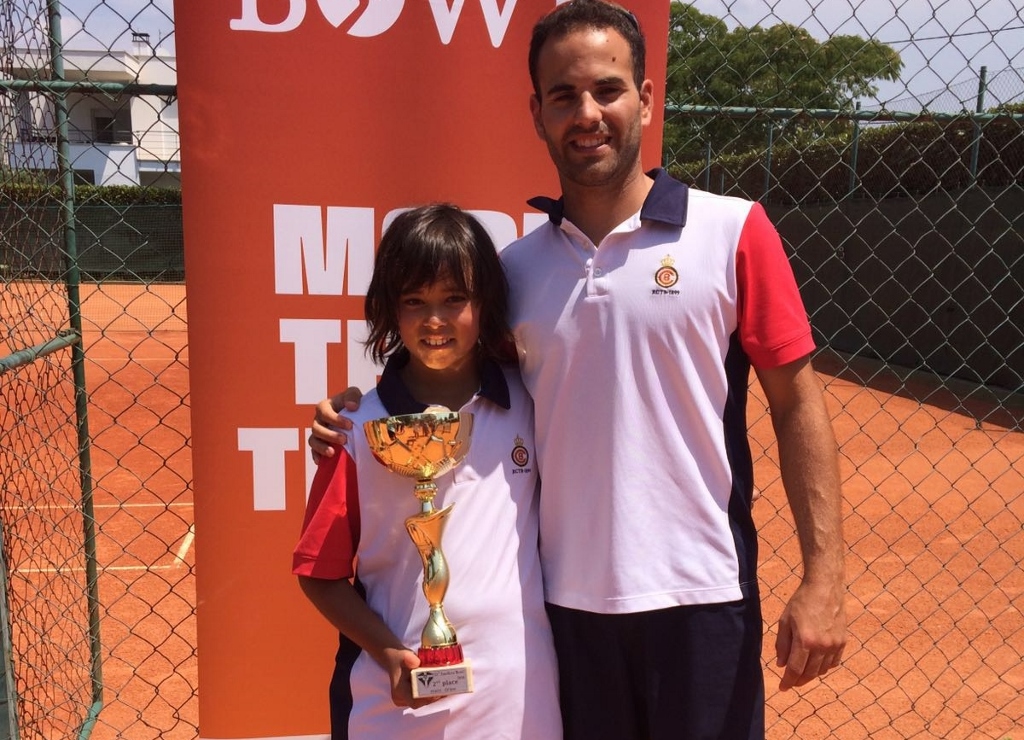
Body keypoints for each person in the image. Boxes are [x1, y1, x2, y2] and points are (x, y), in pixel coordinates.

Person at [310, 2, 847, 738]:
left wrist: (823, 576)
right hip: (565, 614)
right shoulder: (513, 272)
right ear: (537, 114)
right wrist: (349, 414)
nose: (587, 114)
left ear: (646, 99)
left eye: (607, 90)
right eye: (563, 95)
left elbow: (797, 403)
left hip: (704, 596)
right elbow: (438, 376)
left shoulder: (734, 231)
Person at [293, 204, 561, 739]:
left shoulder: (533, 402)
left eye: (454, 299)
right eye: (414, 301)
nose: (434, 320)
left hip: (519, 700)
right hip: (397, 707)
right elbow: (319, 573)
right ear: (390, 310)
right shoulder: (355, 429)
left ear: (486, 303)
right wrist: (389, 653)